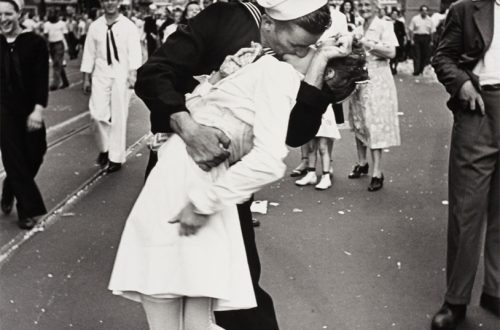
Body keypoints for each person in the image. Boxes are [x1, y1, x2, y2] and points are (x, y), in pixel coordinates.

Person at [110, 40, 366, 330]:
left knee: (165, 300)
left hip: (184, 182)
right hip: (201, 182)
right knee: (195, 315)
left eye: (311, 49)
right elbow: (199, 115)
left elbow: (266, 157)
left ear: (326, 73)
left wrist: (202, 201)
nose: (301, 47)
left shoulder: (277, 76)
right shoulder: (278, 80)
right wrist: (220, 77)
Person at [431, 0, 500, 328]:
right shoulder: (465, 9)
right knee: (467, 210)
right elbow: (442, 56)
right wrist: (461, 83)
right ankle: (455, 301)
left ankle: (495, 291)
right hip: (480, 109)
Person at [0, 0, 48, 230]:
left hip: (29, 108)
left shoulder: (34, 43)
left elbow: (41, 77)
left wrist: (38, 108)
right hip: (3, 110)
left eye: (8, 13)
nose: (3, 19)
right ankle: (26, 209)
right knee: (14, 157)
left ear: (19, 13)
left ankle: (10, 185)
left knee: (35, 153)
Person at [80, 0, 142, 173]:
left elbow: (134, 51)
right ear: (101, 2)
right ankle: (105, 148)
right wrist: (85, 78)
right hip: (100, 74)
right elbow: (89, 52)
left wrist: (133, 74)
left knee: (119, 117)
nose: (110, 3)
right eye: (106, 0)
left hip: (121, 76)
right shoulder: (95, 26)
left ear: (119, 2)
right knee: (97, 115)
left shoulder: (128, 26)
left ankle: (116, 157)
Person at [347, 0, 400, 192]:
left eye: (367, 5)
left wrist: (365, 43)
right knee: (359, 121)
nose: (363, 9)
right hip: (359, 80)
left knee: (374, 123)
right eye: (360, 6)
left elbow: (391, 52)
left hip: (377, 80)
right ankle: (362, 162)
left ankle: (377, 171)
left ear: (376, 7)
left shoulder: (384, 25)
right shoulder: (358, 26)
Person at [43, 11, 69, 90]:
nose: (52, 16)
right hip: (51, 44)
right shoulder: (47, 24)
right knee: (58, 64)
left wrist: (66, 45)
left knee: (56, 64)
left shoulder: (62, 24)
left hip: (59, 44)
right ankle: (65, 81)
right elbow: (46, 35)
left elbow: (66, 35)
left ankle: (55, 84)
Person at [408, 5, 434, 76]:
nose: (424, 12)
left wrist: (431, 41)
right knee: (417, 54)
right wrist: (411, 39)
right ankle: (416, 71)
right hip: (417, 37)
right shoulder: (415, 19)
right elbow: (411, 30)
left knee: (424, 55)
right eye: (423, 10)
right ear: (420, 11)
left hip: (426, 38)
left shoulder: (430, 20)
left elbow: (432, 31)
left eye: (426, 11)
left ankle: (421, 70)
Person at [389, 8, 406, 74]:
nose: (394, 16)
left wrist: (404, 40)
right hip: (390, 41)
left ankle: (395, 68)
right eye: (393, 14)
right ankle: (390, 68)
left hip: (398, 41)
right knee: (390, 56)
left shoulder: (400, 23)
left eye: (396, 14)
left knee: (397, 56)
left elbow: (403, 33)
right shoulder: (388, 23)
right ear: (391, 15)